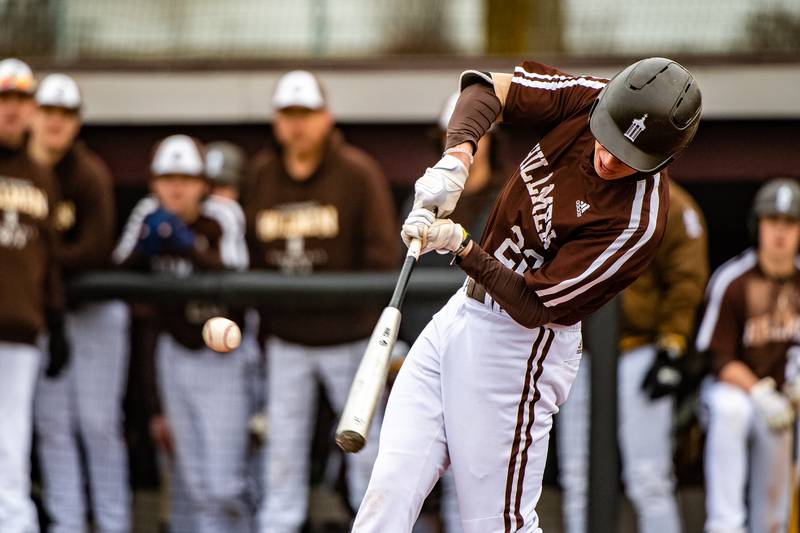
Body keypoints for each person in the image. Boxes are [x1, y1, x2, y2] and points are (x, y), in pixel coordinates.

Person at [353, 57, 702, 533]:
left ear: (661, 159)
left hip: (520, 349)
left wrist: (461, 246)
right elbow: (484, 87)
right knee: (388, 492)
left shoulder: (637, 223)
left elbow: (533, 307)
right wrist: (456, 159)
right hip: (461, 311)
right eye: (609, 136)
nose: (607, 156)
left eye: (627, 155)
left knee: (496, 524)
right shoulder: (590, 97)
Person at [244, 70, 397, 533]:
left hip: (350, 339)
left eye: (306, 114)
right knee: (282, 454)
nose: (297, 125)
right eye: (289, 115)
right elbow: (248, 254)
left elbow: (382, 255)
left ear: (327, 117)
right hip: (287, 340)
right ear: (275, 121)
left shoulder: (358, 172)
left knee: (366, 453)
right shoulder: (261, 175)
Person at [113, 134, 250, 533]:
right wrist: (145, 246)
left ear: (203, 183)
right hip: (176, 351)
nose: (177, 187)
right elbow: (115, 270)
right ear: (154, 182)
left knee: (225, 485)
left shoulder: (223, 213)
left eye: (187, 178)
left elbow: (236, 276)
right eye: (167, 177)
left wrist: (189, 247)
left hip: (224, 357)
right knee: (192, 484)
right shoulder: (147, 212)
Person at [556, 179, 708, 533]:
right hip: (577, 350)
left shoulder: (672, 202)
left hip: (639, 350)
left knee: (649, 477)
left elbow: (687, 281)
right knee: (577, 476)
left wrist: (672, 345)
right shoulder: (575, 191)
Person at [28, 73, 132, 533]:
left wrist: (36, 257)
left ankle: (113, 523)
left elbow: (95, 248)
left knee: (98, 425)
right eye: (49, 111)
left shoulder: (88, 173)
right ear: (33, 114)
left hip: (93, 311)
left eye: (66, 114)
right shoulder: (19, 169)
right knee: (52, 427)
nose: (56, 122)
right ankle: (66, 524)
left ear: (77, 123)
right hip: (44, 313)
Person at [696, 178, 800, 533]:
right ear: (759, 225)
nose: (780, 233)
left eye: (790, 223)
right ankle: (725, 526)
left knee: (773, 515)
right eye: (773, 221)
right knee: (733, 410)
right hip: (735, 392)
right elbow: (717, 357)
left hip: (785, 405)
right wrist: (758, 391)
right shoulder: (733, 279)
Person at [0, 57, 64, 533]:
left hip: (21, 331)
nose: (13, 109)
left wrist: (56, 322)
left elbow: (50, 259)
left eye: (22, 100)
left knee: (11, 450)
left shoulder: (41, 173)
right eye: (5, 99)